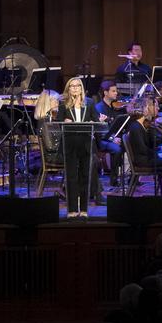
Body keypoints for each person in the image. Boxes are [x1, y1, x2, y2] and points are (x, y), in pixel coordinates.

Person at [125, 97, 162, 198]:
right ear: (145, 108)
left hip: (146, 157)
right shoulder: (136, 127)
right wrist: (159, 153)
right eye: (152, 106)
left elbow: (148, 146)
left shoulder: (142, 125)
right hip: (142, 160)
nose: (156, 108)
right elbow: (142, 149)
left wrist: (160, 148)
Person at [55, 77, 98, 218]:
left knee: (85, 177)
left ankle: (84, 210)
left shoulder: (90, 103)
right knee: (71, 178)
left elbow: (96, 121)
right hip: (70, 144)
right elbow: (58, 122)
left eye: (77, 86)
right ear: (68, 89)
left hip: (85, 144)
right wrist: (64, 121)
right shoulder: (63, 104)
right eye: (72, 86)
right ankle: (72, 210)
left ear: (81, 88)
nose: (74, 88)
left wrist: (93, 121)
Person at [94, 81, 127, 189]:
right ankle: (114, 179)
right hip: (101, 139)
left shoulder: (115, 107)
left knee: (129, 144)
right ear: (105, 93)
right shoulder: (99, 108)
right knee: (117, 149)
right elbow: (101, 131)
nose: (116, 93)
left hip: (112, 137)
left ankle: (130, 176)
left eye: (116, 91)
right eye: (113, 91)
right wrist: (113, 138)